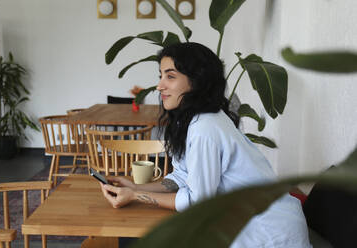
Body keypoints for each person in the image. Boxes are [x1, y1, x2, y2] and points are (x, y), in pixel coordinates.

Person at [100, 42, 312, 247]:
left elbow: (198, 202)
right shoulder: (193, 120)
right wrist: (136, 187)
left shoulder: (205, 128)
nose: (160, 86)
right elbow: (183, 175)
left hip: (269, 233)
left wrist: (136, 196)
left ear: (197, 81)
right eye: (161, 76)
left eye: (170, 76)